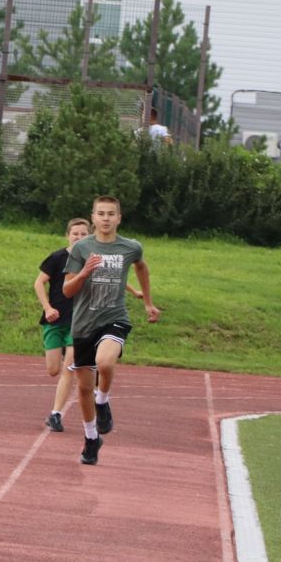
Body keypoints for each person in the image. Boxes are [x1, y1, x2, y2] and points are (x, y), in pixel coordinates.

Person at [60, 195, 161, 466]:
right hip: (83, 323)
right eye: (101, 214)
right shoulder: (81, 248)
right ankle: (92, 439)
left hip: (114, 318)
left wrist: (148, 303)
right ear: (93, 218)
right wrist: (83, 274)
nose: (105, 218)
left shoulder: (130, 247)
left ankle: (102, 400)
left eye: (110, 214)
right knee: (82, 389)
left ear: (119, 217)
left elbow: (141, 267)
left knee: (104, 363)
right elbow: (67, 290)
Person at [36, 218, 93, 432]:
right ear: (67, 235)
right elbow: (38, 282)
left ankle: (55, 414)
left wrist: (134, 292)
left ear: (89, 236)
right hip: (55, 319)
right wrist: (48, 308)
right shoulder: (57, 258)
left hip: (78, 321)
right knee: (53, 370)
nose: (79, 237)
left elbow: (111, 280)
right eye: (75, 233)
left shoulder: (91, 260)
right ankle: (63, 353)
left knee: (69, 368)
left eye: (83, 234)